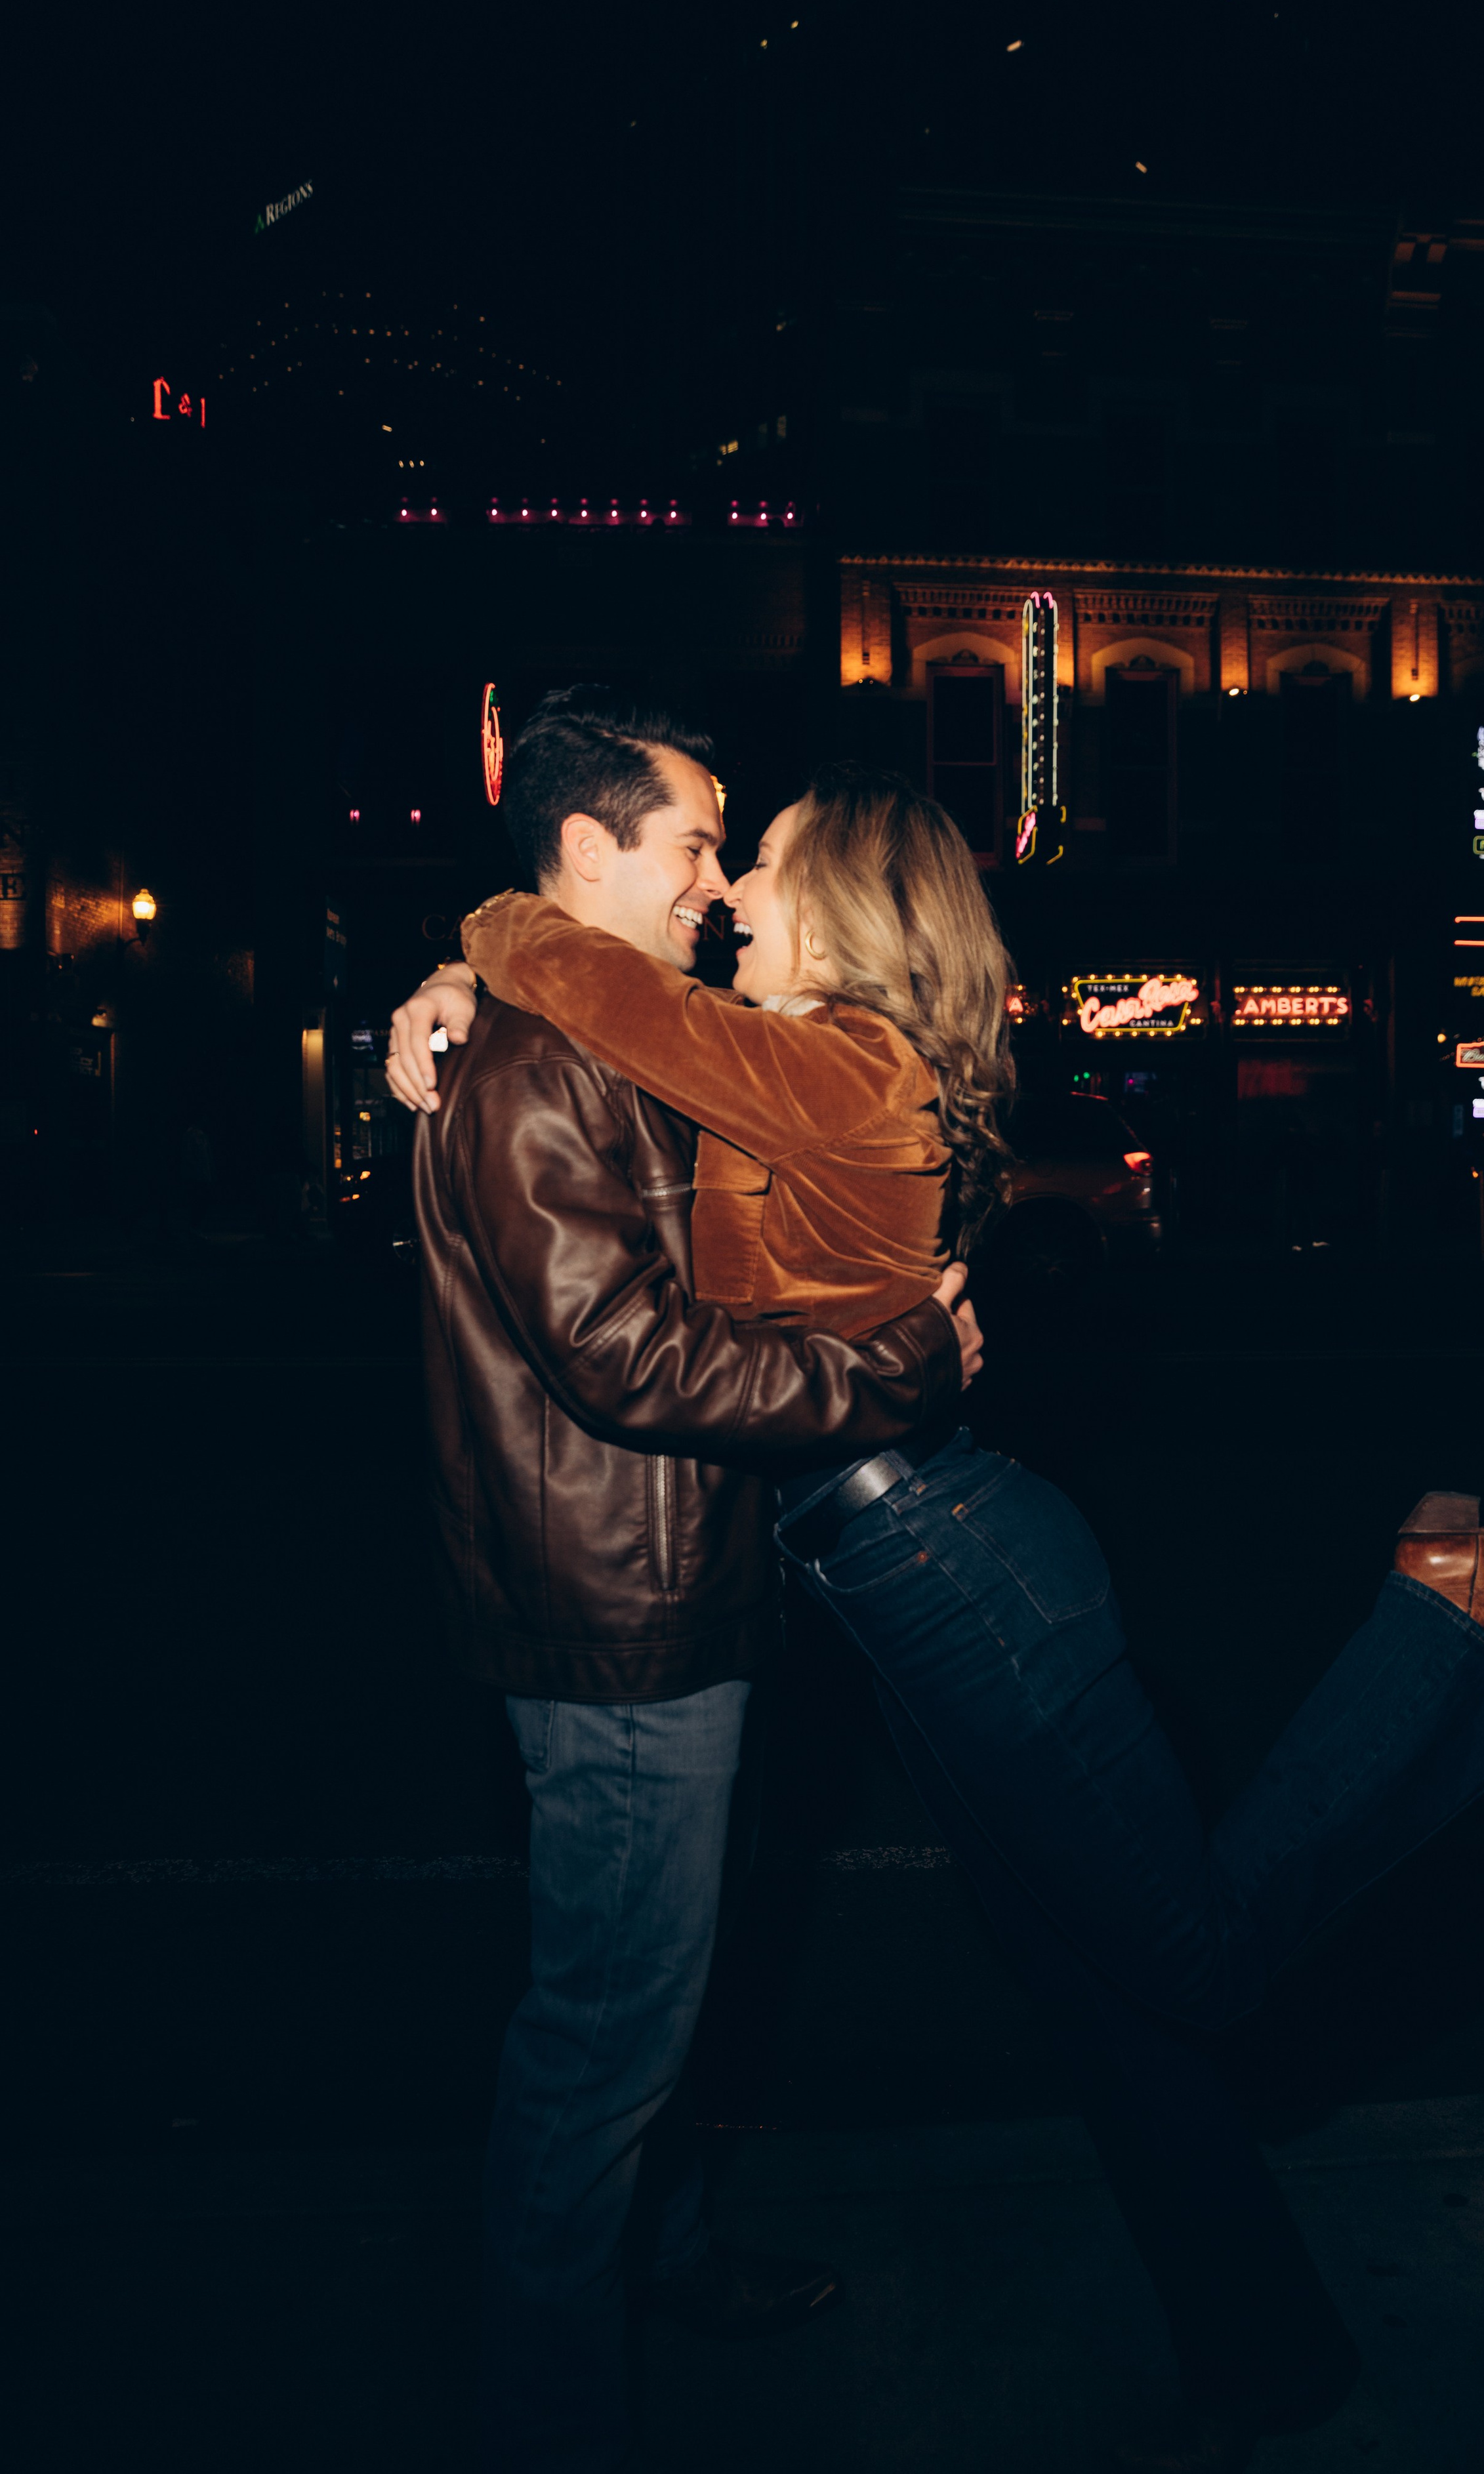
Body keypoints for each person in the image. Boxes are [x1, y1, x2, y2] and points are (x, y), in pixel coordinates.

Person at [391, 762, 1484, 2474]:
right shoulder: (778, 1069)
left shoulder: (841, 1068)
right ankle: (1266, 2348)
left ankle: (1452, 1610)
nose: (727, 895)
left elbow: (599, 990)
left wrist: (492, 930)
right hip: (895, 1583)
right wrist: (460, 990)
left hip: (958, 1575)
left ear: (840, 909)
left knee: (1194, 1961)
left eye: (754, 866)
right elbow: (605, 1033)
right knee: (1094, 1996)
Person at [403, 696, 978, 2474]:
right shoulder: (538, 1058)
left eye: (738, 852)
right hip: (623, 1626)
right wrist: (901, 1370)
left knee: (667, 2004)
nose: (717, 884)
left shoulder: (607, 1029)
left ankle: (672, 2260)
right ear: (590, 851)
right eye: (692, 844)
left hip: (679, 1585)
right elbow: (626, 1361)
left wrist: (456, 961)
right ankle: (550, 2415)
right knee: (600, 2045)